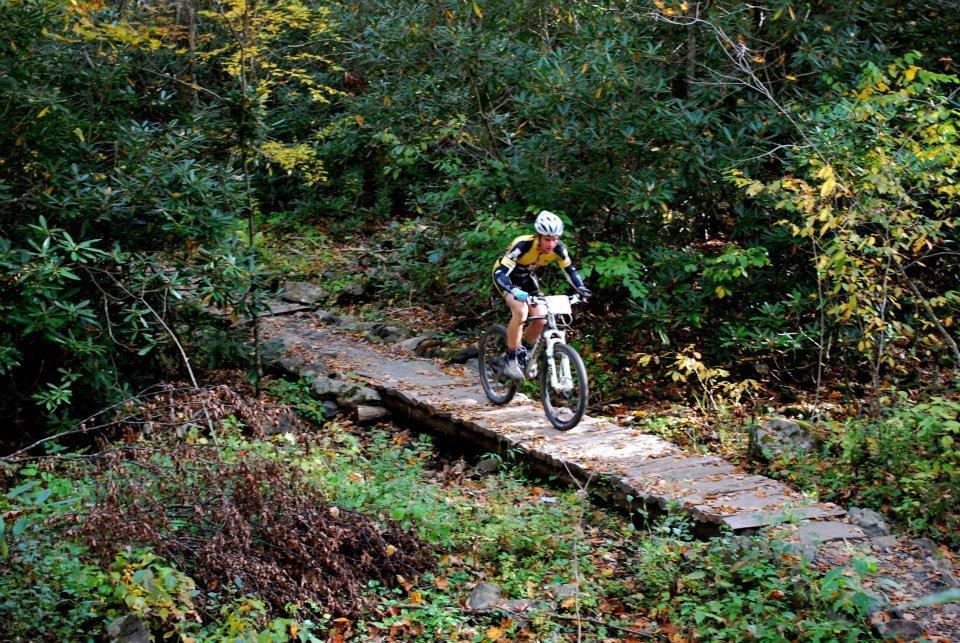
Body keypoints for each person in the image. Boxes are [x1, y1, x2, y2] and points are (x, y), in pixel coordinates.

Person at [491, 210, 591, 380]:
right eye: (547, 239)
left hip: (527, 278)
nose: (551, 244)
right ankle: (511, 357)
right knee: (521, 311)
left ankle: (525, 352)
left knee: (541, 318)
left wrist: (581, 288)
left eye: (555, 239)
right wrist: (513, 290)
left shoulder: (559, 250)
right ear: (538, 236)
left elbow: (570, 271)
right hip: (507, 278)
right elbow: (501, 272)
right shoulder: (522, 245)